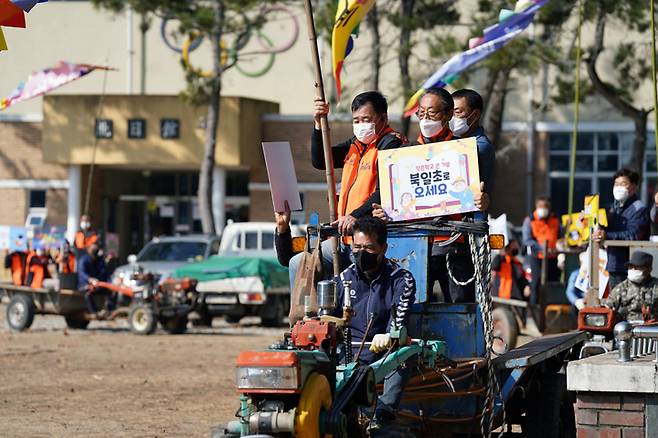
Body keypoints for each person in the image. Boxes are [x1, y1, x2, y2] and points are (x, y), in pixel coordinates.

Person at [374, 88, 491, 303]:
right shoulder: (404, 155)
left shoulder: (465, 152)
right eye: (422, 113)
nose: (426, 119)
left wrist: (482, 202)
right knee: (413, 310)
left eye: (433, 113)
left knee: (460, 311)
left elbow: (480, 196)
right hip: (416, 248)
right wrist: (385, 211)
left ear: (448, 115)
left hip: (454, 246)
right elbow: (392, 201)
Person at [288, 92, 405, 286]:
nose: (361, 125)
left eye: (366, 119)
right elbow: (320, 161)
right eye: (356, 120)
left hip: (367, 241)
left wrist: (355, 216)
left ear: (383, 117)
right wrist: (318, 125)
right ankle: (306, 314)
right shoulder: (355, 145)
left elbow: (386, 189)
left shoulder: (390, 144)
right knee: (297, 262)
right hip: (343, 237)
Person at [330, 217, 416, 431]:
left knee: (404, 354)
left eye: (369, 248)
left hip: (385, 353)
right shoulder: (341, 280)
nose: (361, 253)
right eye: (357, 247)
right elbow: (327, 320)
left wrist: (389, 335)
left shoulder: (401, 279)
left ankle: (383, 415)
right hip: (350, 355)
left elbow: (400, 317)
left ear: (383, 248)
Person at [593, 168, 650, 289]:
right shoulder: (613, 209)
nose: (618, 187)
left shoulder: (639, 208)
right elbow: (604, 229)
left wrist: (607, 235)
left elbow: (633, 235)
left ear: (634, 187)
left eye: (623, 184)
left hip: (635, 269)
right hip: (614, 265)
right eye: (616, 184)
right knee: (616, 305)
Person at [522, 196, 561, 305]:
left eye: (546, 206)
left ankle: (551, 310)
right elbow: (527, 240)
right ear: (536, 206)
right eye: (540, 206)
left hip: (552, 258)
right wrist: (542, 248)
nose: (543, 208)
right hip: (536, 257)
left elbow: (560, 236)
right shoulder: (530, 220)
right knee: (536, 284)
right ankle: (534, 310)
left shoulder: (555, 219)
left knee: (553, 283)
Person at [602, 251, 658, 322]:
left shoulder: (655, 286)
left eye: (637, 268)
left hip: (652, 327)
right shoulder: (622, 287)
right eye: (631, 267)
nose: (633, 270)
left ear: (648, 269)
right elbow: (608, 307)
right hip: (627, 327)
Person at [77, 243, 112, 316]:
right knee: (88, 294)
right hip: (84, 284)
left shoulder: (99, 260)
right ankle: (94, 312)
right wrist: (90, 279)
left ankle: (108, 309)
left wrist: (110, 283)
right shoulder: (84, 260)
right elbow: (81, 272)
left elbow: (104, 272)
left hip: (98, 284)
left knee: (110, 292)